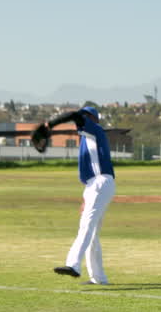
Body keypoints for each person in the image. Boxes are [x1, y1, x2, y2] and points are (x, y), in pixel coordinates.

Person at [49, 105, 116, 285]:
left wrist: (50, 124)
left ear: (94, 119)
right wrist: (85, 199)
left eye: (87, 116)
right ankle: (99, 278)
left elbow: (74, 116)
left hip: (101, 182)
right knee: (91, 232)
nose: (83, 119)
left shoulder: (95, 130)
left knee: (86, 226)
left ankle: (73, 265)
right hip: (94, 185)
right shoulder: (86, 138)